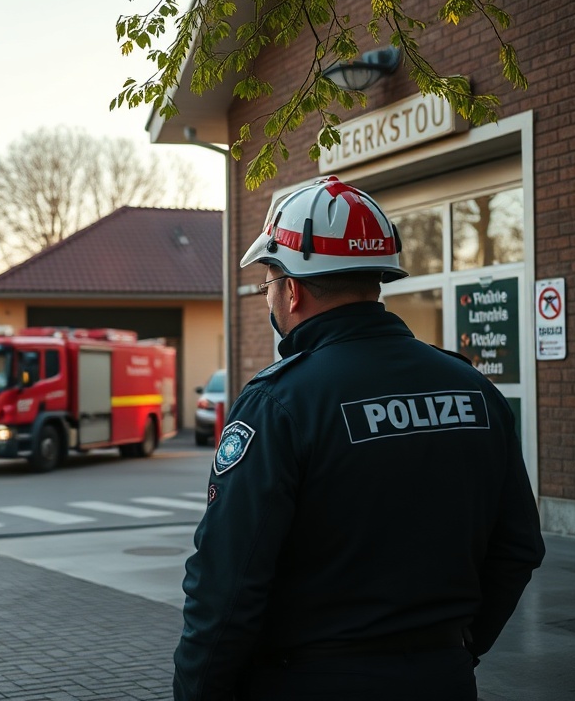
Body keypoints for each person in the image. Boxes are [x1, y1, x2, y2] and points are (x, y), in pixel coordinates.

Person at [173, 176, 545, 701]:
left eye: (268, 284)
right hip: (444, 680)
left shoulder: (279, 404)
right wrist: (457, 647)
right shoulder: (473, 389)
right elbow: (518, 548)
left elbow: (226, 585)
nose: (269, 297)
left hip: (310, 682)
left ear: (293, 290)